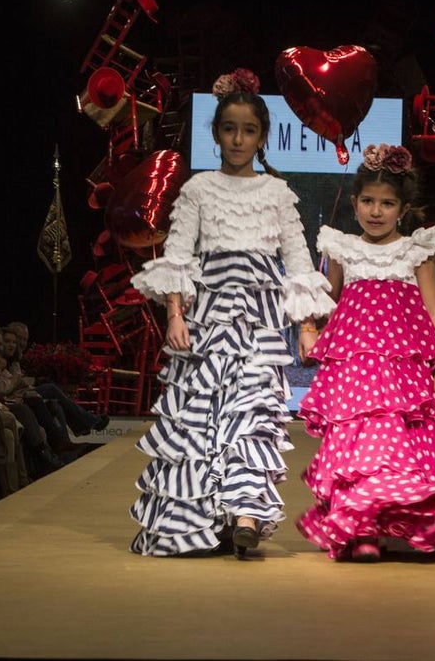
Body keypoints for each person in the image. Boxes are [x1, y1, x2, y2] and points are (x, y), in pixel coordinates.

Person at [128, 68, 334, 557]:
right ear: (216, 132)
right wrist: (174, 315)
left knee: (253, 415)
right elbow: (176, 255)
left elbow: (300, 262)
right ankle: (198, 526)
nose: (238, 139)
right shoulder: (199, 189)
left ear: (262, 136)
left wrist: (307, 327)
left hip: (259, 322)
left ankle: (244, 515)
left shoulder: (277, 193)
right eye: (229, 129)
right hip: (207, 316)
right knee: (198, 422)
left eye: (248, 130)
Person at [294, 144, 435, 562]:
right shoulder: (341, 248)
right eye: (368, 201)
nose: (376, 211)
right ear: (354, 203)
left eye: (387, 203)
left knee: (402, 449)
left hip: (405, 372)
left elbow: (434, 309)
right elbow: (325, 297)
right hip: (355, 372)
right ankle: (364, 530)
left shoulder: (415, 251)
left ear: (402, 208)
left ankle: (406, 524)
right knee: (361, 453)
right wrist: (309, 327)